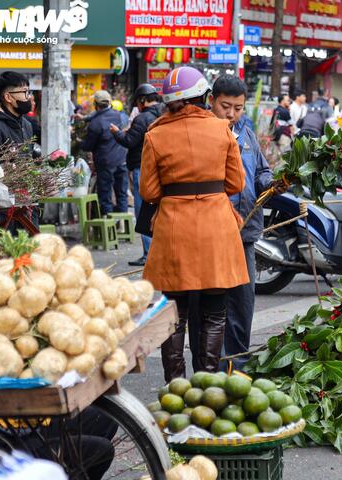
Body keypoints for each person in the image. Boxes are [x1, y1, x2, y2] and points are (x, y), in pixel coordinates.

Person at [141, 66, 249, 380]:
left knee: (174, 313)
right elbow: (236, 183)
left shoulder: (155, 134)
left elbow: (148, 191)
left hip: (174, 228)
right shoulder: (222, 130)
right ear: (203, 97)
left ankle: (175, 384)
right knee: (215, 312)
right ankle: (207, 381)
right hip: (217, 227)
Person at [209, 74, 278, 371]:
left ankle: (240, 361)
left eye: (238, 108)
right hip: (215, 230)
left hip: (246, 231)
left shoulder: (246, 134)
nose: (232, 114)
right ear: (211, 101)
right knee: (217, 300)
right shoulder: (205, 134)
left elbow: (261, 171)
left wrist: (273, 183)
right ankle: (217, 362)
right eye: (226, 106)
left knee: (244, 298)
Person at [110, 83, 165, 267]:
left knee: (143, 211)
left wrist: (117, 133)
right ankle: (158, 251)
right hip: (160, 168)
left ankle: (149, 253)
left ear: (142, 100)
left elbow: (129, 140)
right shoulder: (164, 114)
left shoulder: (143, 118)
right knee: (156, 209)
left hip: (142, 167)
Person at [80, 90, 128, 216]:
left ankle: (108, 221)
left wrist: (79, 141)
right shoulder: (119, 116)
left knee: (105, 194)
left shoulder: (95, 123)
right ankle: (123, 222)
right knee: (122, 193)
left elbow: (88, 145)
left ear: (96, 104)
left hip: (105, 163)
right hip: (121, 159)